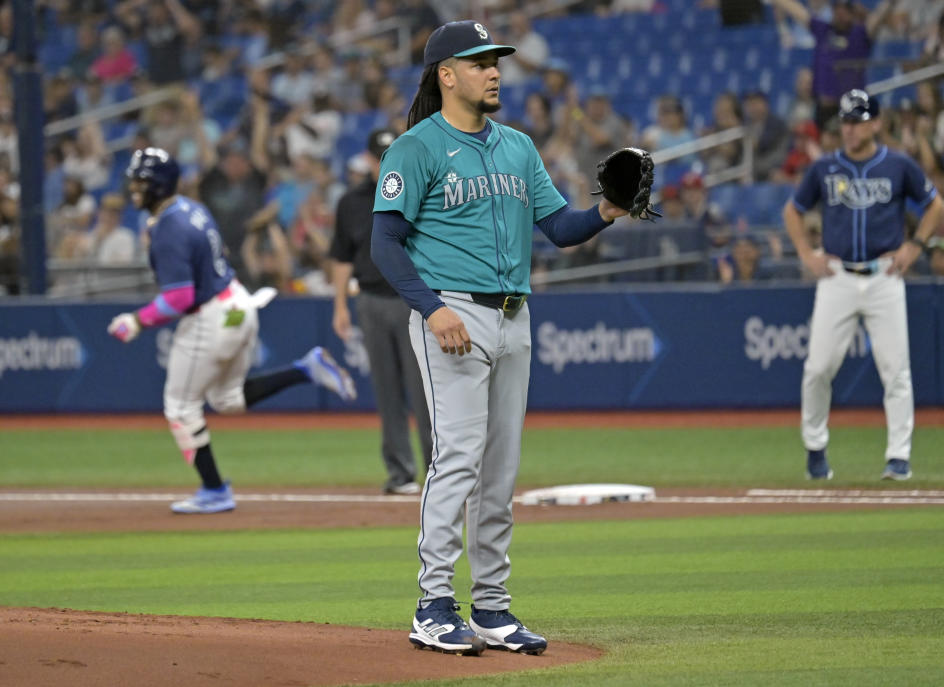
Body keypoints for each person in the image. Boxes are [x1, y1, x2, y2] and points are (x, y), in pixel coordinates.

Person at [369, 20, 637, 656]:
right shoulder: (416, 147)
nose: (494, 70)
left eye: (496, 60)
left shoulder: (518, 146)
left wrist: (607, 210)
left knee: (500, 470)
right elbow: (384, 244)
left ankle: (490, 606)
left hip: (515, 316)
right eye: (480, 60)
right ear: (447, 74)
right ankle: (433, 604)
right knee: (457, 459)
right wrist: (431, 309)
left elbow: (561, 229)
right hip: (452, 315)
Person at [107, 148, 356, 514]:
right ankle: (306, 369)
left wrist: (138, 320)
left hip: (211, 316)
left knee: (179, 406)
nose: (134, 190)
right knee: (227, 400)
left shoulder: (169, 226)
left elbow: (178, 298)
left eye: (140, 183)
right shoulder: (192, 209)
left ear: (158, 186)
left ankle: (214, 489)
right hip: (238, 304)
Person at [782, 90, 942, 482]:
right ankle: (815, 448)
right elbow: (793, 210)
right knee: (818, 368)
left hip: (884, 275)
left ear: (876, 123)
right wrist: (806, 253)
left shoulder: (898, 165)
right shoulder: (825, 168)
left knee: (896, 370)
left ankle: (899, 457)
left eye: (857, 121)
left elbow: (934, 205)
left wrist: (914, 246)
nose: (849, 129)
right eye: (845, 122)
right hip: (837, 276)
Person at [330, 128, 433, 495]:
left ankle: (439, 473)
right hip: (371, 299)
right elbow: (342, 257)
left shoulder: (419, 192)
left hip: (414, 301)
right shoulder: (351, 202)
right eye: (381, 156)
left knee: (426, 393)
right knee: (387, 391)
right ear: (371, 159)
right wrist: (340, 304)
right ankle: (400, 473)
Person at [769, 0, 894, 128]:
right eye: (837, 9)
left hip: (851, 108)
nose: (840, 13)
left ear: (852, 12)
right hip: (823, 108)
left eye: (845, 9)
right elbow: (798, 12)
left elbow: (879, 15)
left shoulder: (860, 35)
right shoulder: (823, 30)